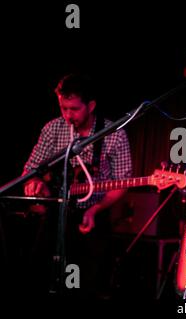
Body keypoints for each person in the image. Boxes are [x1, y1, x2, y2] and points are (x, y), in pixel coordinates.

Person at [22, 73, 132, 298]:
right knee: (37, 273)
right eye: (63, 108)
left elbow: (121, 183)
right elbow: (30, 170)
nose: (67, 115)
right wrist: (33, 184)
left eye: (74, 109)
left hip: (93, 215)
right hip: (55, 214)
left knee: (88, 282)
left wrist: (96, 209)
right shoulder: (53, 129)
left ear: (91, 106)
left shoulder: (114, 134)